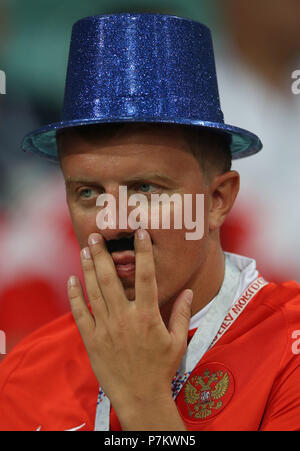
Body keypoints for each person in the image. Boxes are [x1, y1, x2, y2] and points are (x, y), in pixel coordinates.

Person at [0, 13, 300, 432]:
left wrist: (143, 401)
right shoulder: (20, 376)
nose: (113, 222)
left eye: (144, 189)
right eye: (88, 193)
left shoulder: (291, 352)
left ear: (218, 200)